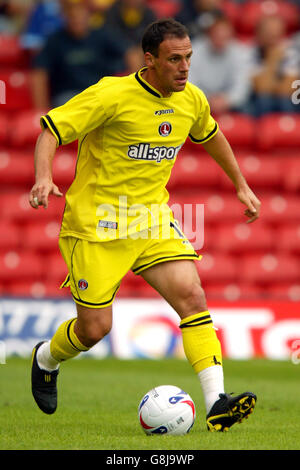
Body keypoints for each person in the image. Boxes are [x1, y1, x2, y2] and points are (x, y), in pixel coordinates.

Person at [29, 18, 260, 432]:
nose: (185, 67)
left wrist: (241, 185)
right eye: (175, 60)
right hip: (97, 225)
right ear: (148, 60)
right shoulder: (110, 94)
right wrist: (44, 177)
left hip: (150, 219)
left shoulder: (190, 99)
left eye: (189, 57)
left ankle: (216, 403)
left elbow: (211, 135)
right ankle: (46, 357)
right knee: (94, 328)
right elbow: (51, 130)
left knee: (193, 296)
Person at [30, 0, 134, 108]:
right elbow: (39, 73)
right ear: (64, 17)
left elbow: (131, 53)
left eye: (80, 16)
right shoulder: (54, 41)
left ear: (89, 17)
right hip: (68, 96)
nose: (76, 20)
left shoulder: (103, 35)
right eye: (72, 16)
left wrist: (133, 90)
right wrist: (41, 110)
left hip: (100, 92)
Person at [188, 14, 252, 115]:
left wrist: (227, 100)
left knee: (248, 108)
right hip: (201, 100)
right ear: (209, 35)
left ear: (231, 36)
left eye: (225, 36)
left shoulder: (240, 52)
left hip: (229, 101)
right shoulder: (193, 51)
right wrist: (207, 100)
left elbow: (242, 86)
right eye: (217, 35)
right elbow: (189, 83)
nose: (221, 40)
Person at [248, 14, 297, 116]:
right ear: (259, 33)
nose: (273, 35)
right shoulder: (249, 52)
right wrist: (273, 60)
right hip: (257, 102)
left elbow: (288, 89)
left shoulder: (291, 51)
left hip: (285, 100)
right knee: (263, 100)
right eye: (268, 31)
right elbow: (260, 88)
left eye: (276, 32)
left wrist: (271, 84)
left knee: (286, 101)